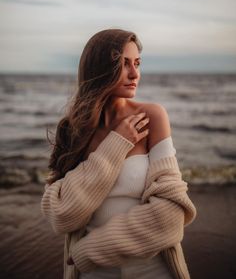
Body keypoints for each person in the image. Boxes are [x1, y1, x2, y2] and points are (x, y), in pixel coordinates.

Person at [41, 28, 196, 279]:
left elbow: (171, 216)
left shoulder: (151, 117)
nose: (134, 74)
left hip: (152, 269)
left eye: (137, 63)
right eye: (124, 64)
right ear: (99, 69)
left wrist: (92, 250)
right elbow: (62, 214)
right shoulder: (72, 130)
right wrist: (117, 144)